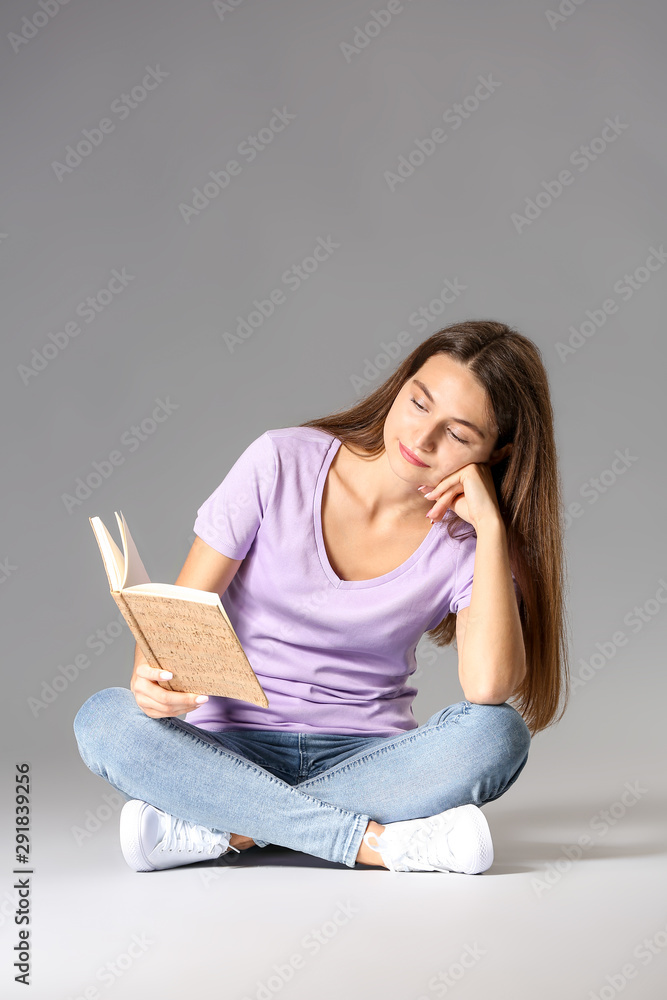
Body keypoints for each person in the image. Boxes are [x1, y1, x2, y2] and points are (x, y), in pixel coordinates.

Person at [73, 319, 570, 875]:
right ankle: (374, 844)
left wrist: (493, 530)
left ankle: (227, 828)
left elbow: (489, 687)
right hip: (229, 747)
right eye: (419, 403)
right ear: (400, 385)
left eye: (458, 435)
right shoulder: (280, 462)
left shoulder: (466, 541)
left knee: (498, 734)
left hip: (370, 757)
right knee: (104, 720)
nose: (422, 438)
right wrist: (152, 683)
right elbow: (173, 624)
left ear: (497, 454)